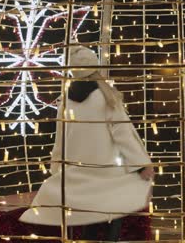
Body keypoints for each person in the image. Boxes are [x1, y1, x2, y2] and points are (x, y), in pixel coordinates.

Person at [19, 46, 154, 241]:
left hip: (80, 172)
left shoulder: (65, 100)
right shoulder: (106, 97)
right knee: (114, 213)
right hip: (107, 171)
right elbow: (122, 133)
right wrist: (141, 163)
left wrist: (57, 166)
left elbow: (60, 136)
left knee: (88, 217)